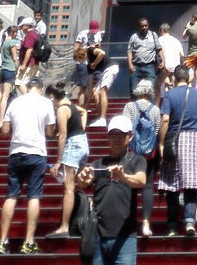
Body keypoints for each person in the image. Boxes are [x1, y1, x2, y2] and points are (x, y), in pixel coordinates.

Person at [0, 76, 56, 255]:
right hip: (37, 152)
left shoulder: (15, 102)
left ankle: (3, 241)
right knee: (34, 196)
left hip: (16, 151)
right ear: (42, 88)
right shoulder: (46, 103)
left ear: (28, 87)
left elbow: (4, 131)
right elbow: (50, 132)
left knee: (11, 196)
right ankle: (28, 242)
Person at [76, 116, 146, 265]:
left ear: (130, 136)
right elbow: (84, 182)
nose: (116, 138)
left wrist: (123, 176)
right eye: (112, 134)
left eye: (120, 134)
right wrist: (82, 179)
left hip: (125, 236)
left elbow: (141, 180)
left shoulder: (137, 161)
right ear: (107, 136)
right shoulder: (98, 163)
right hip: (98, 234)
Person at [158, 63, 197, 236]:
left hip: (174, 139)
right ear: (188, 78)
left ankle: (172, 226)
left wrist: (162, 142)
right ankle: (189, 222)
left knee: (172, 184)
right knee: (191, 184)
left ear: (174, 78)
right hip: (194, 139)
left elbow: (165, 119)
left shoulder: (169, 95)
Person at [45, 82, 88, 240]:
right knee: (74, 184)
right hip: (83, 142)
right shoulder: (72, 105)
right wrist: (81, 129)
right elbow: (84, 112)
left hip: (73, 145)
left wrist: (58, 161)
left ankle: (64, 227)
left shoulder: (61, 109)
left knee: (68, 188)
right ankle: (80, 214)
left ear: (52, 96)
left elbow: (62, 136)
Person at [124, 80, 160, 239]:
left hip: (132, 152)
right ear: (150, 91)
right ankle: (146, 222)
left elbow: (125, 128)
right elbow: (157, 131)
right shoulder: (155, 110)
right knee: (148, 186)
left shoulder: (129, 107)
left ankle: (130, 222)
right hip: (149, 153)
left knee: (130, 184)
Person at [0, 25, 20, 128]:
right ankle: (1, 121)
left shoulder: (4, 43)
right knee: (5, 97)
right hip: (10, 69)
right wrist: (17, 67)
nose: (16, 34)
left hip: (2, 70)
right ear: (13, 32)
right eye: (16, 32)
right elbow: (14, 58)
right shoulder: (12, 43)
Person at [89, 38, 120, 127]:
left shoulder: (89, 50)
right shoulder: (88, 64)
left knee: (102, 91)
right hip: (106, 70)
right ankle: (100, 118)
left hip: (111, 67)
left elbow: (102, 53)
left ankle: (102, 119)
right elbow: (91, 81)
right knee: (95, 92)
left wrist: (94, 64)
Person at [126, 18, 159, 92]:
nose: (144, 27)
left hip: (149, 66)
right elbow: (129, 51)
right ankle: (135, 103)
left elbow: (159, 48)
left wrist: (163, 60)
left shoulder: (153, 35)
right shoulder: (134, 37)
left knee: (150, 90)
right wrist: (130, 64)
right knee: (134, 90)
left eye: (146, 25)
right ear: (138, 27)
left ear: (148, 26)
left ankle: (150, 104)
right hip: (136, 67)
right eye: (142, 26)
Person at [157, 23, 184, 97]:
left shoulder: (159, 40)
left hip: (164, 66)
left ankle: (159, 104)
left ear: (162, 30)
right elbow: (182, 54)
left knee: (158, 85)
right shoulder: (177, 41)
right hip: (175, 67)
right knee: (175, 86)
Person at [16, 18, 40, 93]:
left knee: (18, 82)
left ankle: (28, 99)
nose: (21, 28)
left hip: (29, 64)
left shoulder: (30, 35)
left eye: (22, 26)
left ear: (27, 26)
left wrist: (23, 65)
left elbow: (29, 50)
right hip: (33, 63)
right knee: (29, 84)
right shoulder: (35, 34)